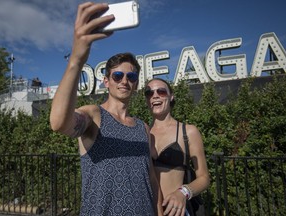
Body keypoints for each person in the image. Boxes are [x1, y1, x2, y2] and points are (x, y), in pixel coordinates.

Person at [50, 2, 162, 216]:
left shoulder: (143, 128)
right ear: (106, 81)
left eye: (131, 77)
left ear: (136, 83)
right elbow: (58, 123)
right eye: (117, 76)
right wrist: (77, 59)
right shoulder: (94, 115)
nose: (124, 81)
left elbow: (151, 179)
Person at [144, 78, 210, 216]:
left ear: (171, 96)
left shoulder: (188, 132)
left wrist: (183, 193)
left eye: (161, 91)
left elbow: (204, 178)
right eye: (149, 93)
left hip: (176, 212)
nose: (155, 95)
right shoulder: (141, 133)